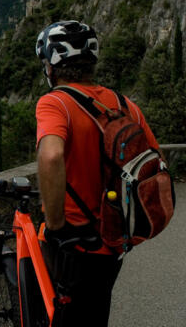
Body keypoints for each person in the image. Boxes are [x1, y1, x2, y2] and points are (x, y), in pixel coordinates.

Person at [34, 20, 160, 327]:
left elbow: (51, 156)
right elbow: (155, 162)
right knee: (94, 312)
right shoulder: (125, 104)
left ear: (51, 66)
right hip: (115, 237)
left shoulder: (55, 102)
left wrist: (55, 224)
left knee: (66, 314)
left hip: (75, 239)